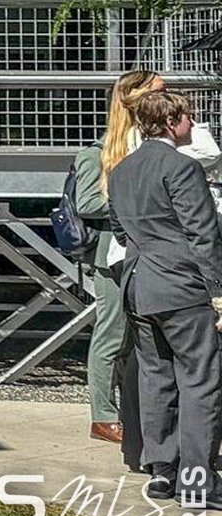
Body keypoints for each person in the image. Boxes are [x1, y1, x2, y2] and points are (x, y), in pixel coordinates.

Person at [109, 87, 222, 506]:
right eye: (188, 117)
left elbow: (121, 232)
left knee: (155, 378)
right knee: (199, 380)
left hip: (138, 285)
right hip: (180, 286)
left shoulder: (121, 171)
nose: (192, 124)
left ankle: (161, 471)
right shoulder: (182, 168)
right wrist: (217, 291)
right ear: (171, 122)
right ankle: (198, 480)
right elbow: (202, 234)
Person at [76, 69, 161, 446]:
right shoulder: (97, 153)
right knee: (111, 333)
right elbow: (87, 203)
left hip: (148, 252)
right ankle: (102, 415)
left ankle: (133, 411)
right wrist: (133, 198)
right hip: (113, 256)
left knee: (139, 337)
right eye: (158, 91)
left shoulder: (151, 146)